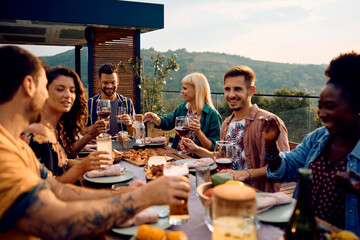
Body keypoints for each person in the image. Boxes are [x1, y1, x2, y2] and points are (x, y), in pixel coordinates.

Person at [0, 45, 191, 239]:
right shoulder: (4, 154)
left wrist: (124, 194)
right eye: (45, 86)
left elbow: (59, 189)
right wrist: (143, 197)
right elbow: (56, 223)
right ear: (29, 85)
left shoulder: (16, 145)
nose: (49, 95)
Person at [261, 51, 360, 235]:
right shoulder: (317, 139)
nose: (321, 114)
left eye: (330, 106)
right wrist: (270, 144)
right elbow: (284, 170)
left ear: (356, 105)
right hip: (301, 232)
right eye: (320, 106)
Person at [182, 66, 289, 192]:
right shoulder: (227, 122)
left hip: (257, 197)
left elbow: (284, 168)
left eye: (237, 89)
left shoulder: (269, 123)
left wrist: (245, 174)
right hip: (227, 190)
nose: (231, 95)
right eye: (227, 89)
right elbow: (221, 156)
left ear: (251, 91)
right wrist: (196, 149)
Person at [22, 66, 111, 183]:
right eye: (60, 89)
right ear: (44, 91)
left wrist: (93, 162)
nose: (68, 95)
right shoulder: (37, 134)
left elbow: (63, 162)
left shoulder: (56, 127)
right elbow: (49, 187)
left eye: (72, 90)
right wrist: (82, 166)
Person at [143, 72, 222, 151]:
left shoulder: (213, 115)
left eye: (185, 88)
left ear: (196, 90)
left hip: (198, 161)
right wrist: (155, 118)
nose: (181, 91)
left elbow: (214, 148)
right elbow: (167, 123)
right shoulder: (183, 108)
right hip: (178, 156)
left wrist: (199, 132)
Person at [87, 64, 135, 136]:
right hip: (98, 146)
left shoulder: (127, 103)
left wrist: (129, 125)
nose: (109, 86)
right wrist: (94, 128)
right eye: (105, 83)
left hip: (121, 146)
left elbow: (133, 134)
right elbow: (81, 131)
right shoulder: (89, 103)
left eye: (113, 82)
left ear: (117, 81)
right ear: (99, 82)